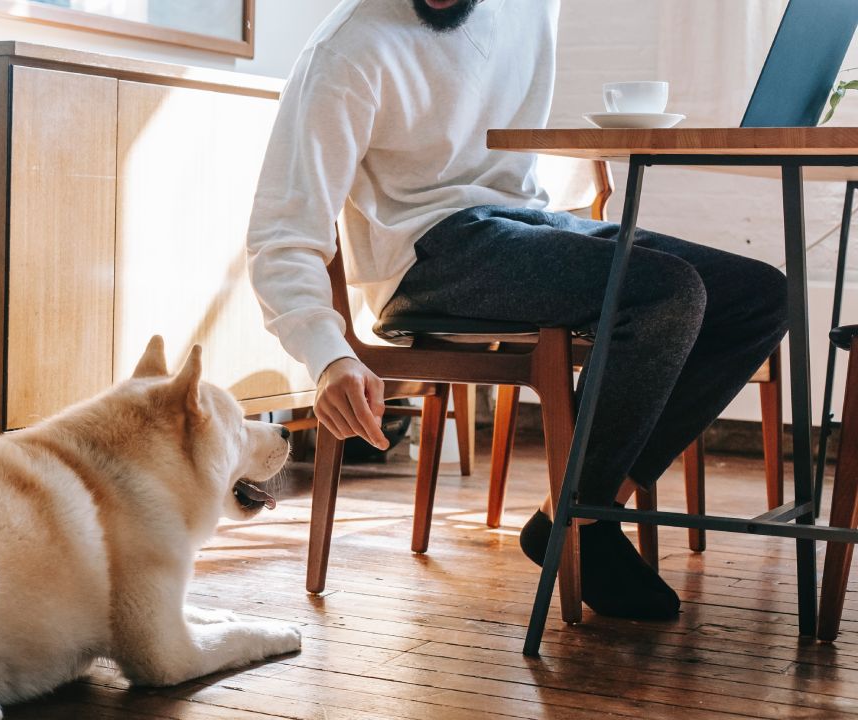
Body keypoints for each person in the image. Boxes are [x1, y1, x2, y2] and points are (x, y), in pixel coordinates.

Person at [246, 0, 788, 620]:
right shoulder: (349, 48)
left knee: (759, 297)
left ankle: (576, 510)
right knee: (665, 293)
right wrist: (328, 355)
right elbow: (281, 233)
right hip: (430, 253)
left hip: (525, 222)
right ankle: (588, 520)